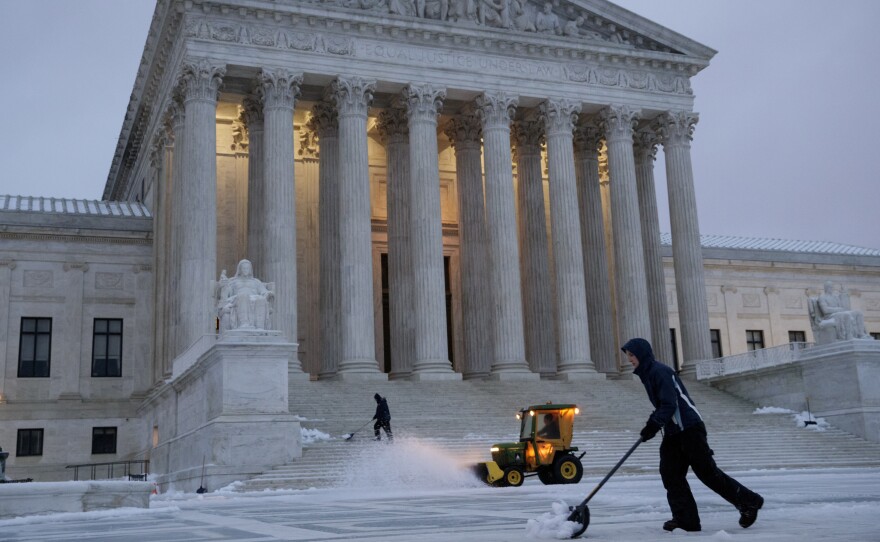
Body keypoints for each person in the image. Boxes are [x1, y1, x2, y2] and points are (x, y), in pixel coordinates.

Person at [622, 337, 764, 532]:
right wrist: (654, 424)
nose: (629, 359)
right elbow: (665, 406)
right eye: (628, 355)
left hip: (689, 428)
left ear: (642, 354)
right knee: (670, 474)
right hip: (673, 431)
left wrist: (653, 424)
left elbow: (669, 404)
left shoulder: (659, 371)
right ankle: (686, 519)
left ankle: (749, 501)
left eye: (632, 355)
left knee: (707, 473)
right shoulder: (648, 374)